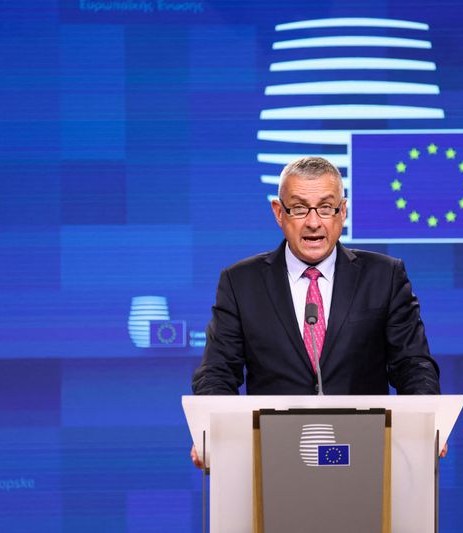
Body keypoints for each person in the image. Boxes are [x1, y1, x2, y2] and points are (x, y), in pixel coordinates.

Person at [190, 156, 444, 467]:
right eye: (299, 208)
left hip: (366, 456)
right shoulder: (241, 282)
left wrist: (424, 426)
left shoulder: (384, 276)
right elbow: (217, 372)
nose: (314, 222)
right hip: (272, 459)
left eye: (326, 207)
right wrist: (215, 431)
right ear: (278, 212)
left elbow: (413, 365)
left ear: (344, 211)